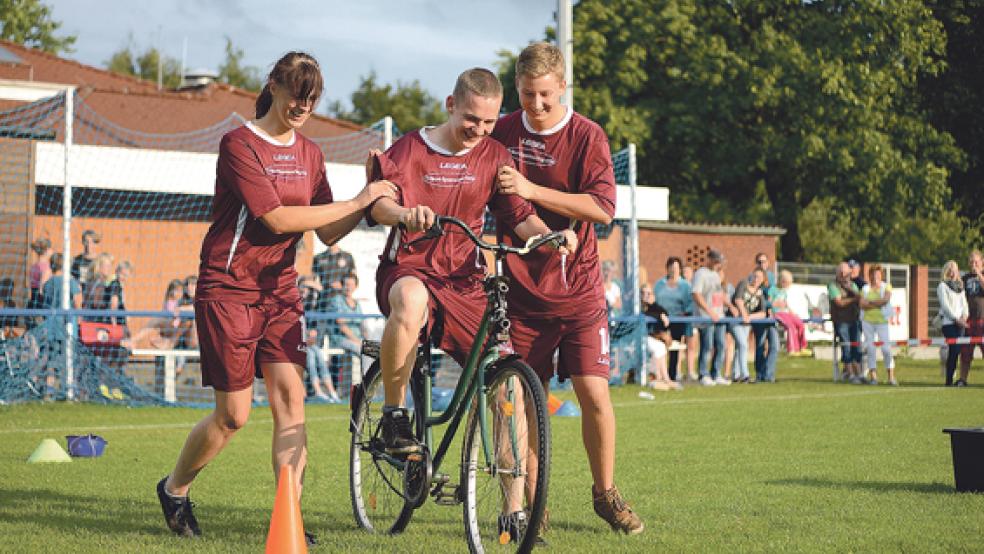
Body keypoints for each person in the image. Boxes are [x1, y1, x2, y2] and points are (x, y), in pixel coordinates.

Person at [155, 52, 397, 543]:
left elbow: (327, 231)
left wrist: (368, 197)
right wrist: (355, 202)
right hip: (228, 290)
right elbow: (277, 219)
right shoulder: (238, 144)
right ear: (274, 86)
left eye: (311, 99)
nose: (302, 106)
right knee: (233, 416)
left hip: (281, 292)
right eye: (295, 95)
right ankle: (174, 488)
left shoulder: (310, 153)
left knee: (292, 399)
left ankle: (291, 518)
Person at [492, 42, 643, 535]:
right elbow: (503, 204)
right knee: (519, 401)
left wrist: (535, 192)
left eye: (544, 95)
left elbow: (602, 209)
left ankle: (605, 493)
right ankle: (530, 509)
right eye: (526, 94)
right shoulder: (504, 131)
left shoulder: (587, 136)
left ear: (563, 87)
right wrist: (538, 230)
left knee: (595, 395)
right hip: (520, 294)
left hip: (579, 292)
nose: (535, 105)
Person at [691, 250, 729, 386]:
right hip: (706, 317)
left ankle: (716, 373)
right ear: (709, 259)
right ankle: (703, 374)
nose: (719, 264)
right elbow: (696, 294)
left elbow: (719, 294)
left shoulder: (716, 274)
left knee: (721, 345)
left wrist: (731, 306)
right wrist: (709, 311)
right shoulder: (700, 274)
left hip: (719, 316)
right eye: (717, 261)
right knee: (707, 345)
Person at [653, 256, 694, 381]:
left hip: (678, 320)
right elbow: (655, 300)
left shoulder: (685, 285)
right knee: (660, 346)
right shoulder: (660, 284)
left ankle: (672, 375)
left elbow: (689, 304)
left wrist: (683, 314)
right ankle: (658, 374)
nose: (674, 270)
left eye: (676, 267)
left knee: (674, 347)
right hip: (662, 320)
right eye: (671, 267)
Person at [860, 264, 896, 386]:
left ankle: (891, 377)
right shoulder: (865, 288)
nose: (876, 277)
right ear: (870, 276)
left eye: (878, 275)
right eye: (873, 275)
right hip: (867, 321)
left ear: (881, 276)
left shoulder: (887, 286)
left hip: (882, 322)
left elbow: (885, 300)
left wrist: (869, 303)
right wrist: (877, 303)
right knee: (870, 348)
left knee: (886, 349)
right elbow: (861, 304)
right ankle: (873, 377)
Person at [828, 262, 863, 383]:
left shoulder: (853, 285)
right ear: (837, 273)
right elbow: (839, 303)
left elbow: (861, 298)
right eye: (841, 272)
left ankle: (859, 373)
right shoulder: (833, 286)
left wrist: (850, 290)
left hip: (854, 320)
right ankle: (851, 374)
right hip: (841, 321)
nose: (843, 274)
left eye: (846, 272)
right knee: (846, 346)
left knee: (856, 346)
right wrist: (854, 298)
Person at [938, 260, 968, 386]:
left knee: (956, 351)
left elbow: (964, 304)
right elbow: (945, 306)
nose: (952, 272)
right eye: (949, 270)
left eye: (954, 269)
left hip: (961, 323)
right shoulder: (942, 286)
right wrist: (956, 319)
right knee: (954, 349)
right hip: (949, 323)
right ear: (946, 272)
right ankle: (948, 380)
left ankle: (952, 378)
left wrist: (965, 317)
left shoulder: (960, 286)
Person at [641, 287, 678, 391]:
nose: (647, 296)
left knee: (661, 346)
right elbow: (644, 314)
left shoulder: (654, 307)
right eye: (644, 293)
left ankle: (665, 378)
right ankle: (657, 377)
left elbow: (663, 312)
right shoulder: (638, 306)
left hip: (646, 338)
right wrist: (659, 315)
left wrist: (660, 313)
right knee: (658, 347)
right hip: (636, 338)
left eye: (649, 293)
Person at [958, 249, 984, 387]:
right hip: (969, 321)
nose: (973, 264)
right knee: (966, 353)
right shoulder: (965, 278)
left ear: (982, 262)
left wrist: (979, 274)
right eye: (971, 262)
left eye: (976, 261)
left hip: (982, 320)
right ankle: (962, 379)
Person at [770, 270, 810, 356]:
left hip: (786, 312)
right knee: (790, 327)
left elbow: (785, 303)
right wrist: (773, 308)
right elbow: (769, 303)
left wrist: (792, 312)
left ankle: (802, 347)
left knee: (800, 324)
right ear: (781, 281)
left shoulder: (784, 291)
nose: (788, 286)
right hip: (778, 313)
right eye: (786, 283)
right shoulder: (773, 289)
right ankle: (791, 349)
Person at [27, 238, 53, 327]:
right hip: (41, 303)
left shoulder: (34, 266)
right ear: (46, 250)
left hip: (32, 301)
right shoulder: (46, 267)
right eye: (50, 249)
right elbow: (42, 289)